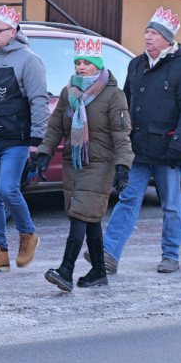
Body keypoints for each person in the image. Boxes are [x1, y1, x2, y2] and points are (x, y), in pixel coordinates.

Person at [96, 7, 181, 275]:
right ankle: (108, 254)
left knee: (171, 205)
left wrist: (180, 144)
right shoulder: (136, 64)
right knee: (128, 199)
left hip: (168, 149)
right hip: (138, 148)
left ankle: (170, 255)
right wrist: (120, 139)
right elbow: (125, 104)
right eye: (147, 32)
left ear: (167, 39)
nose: (148, 37)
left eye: (154, 33)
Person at [35, 38, 133, 291]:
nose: (81, 67)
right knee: (89, 218)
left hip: (100, 164)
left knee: (79, 215)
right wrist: (44, 154)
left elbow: (122, 133)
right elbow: (55, 126)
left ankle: (66, 270)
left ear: (97, 65)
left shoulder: (114, 94)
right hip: (74, 162)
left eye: (86, 63)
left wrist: (123, 166)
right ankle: (99, 270)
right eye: (78, 62)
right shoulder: (69, 92)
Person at [0, 5, 46, 272]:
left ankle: (28, 235)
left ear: (13, 31)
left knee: (7, 189)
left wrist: (36, 140)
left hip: (17, 139)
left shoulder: (29, 60)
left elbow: (38, 100)